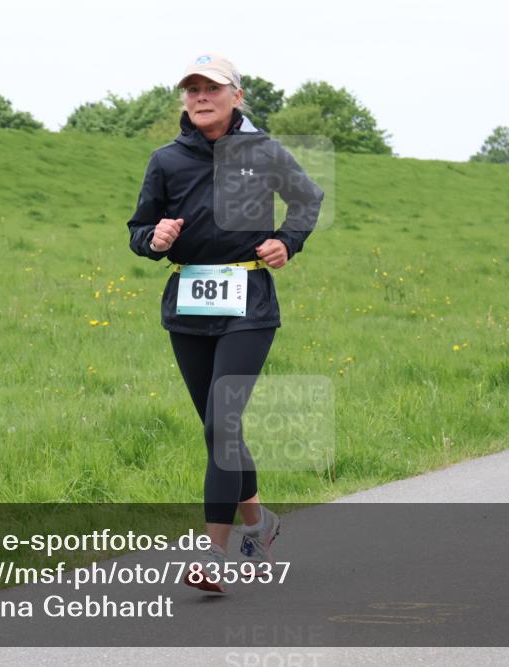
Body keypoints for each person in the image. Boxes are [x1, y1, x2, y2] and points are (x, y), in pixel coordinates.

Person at [128, 53, 324, 593]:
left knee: (222, 422)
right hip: (189, 306)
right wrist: (154, 240)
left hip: (248, 302)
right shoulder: (166, 160)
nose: (200, 97)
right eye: (191, 89)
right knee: (222, 430)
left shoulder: (265, 151)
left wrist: (287, 242)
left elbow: (308, 199)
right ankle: (259, 523)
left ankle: (213, 554)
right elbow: (139, 228)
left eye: (211, 88)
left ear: (236, 96)